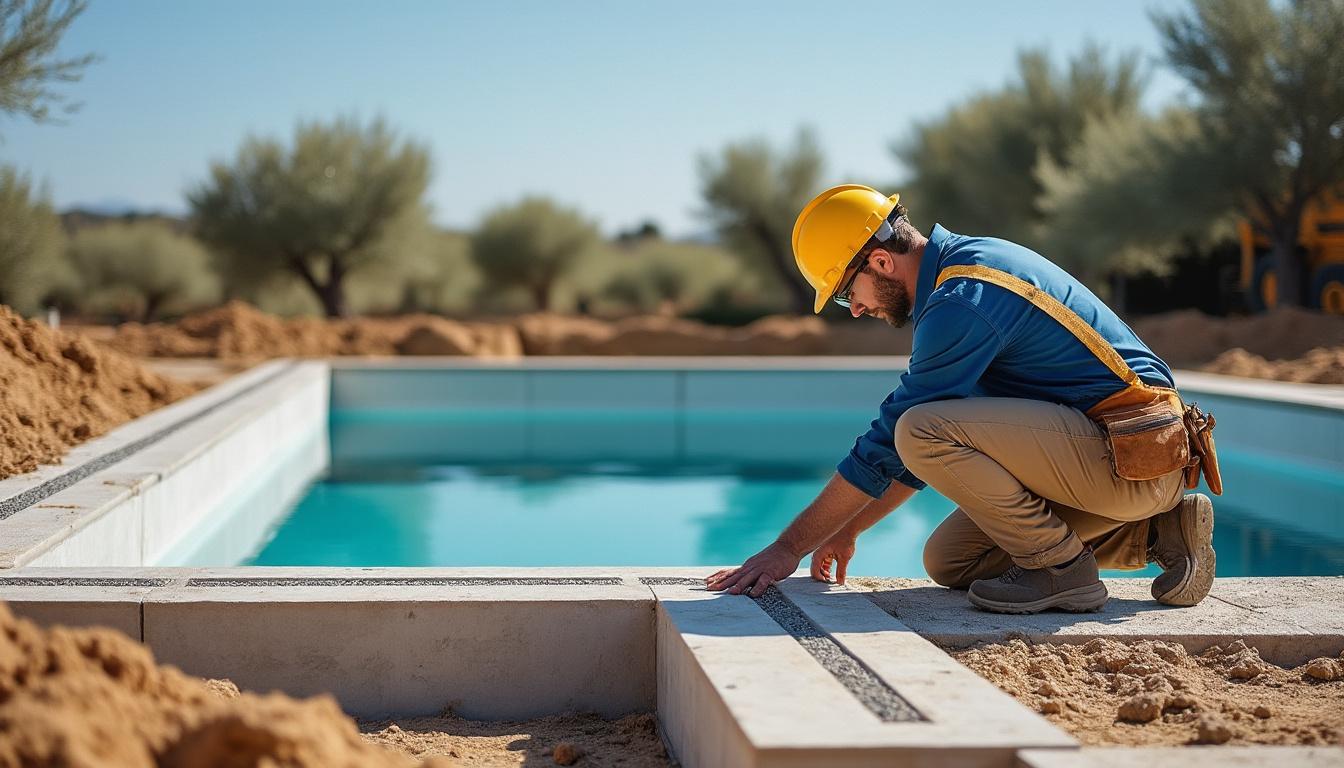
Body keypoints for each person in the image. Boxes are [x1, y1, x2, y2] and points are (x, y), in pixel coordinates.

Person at [705, 184, 1219, 614]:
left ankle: (1063, 571)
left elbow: (897, 439)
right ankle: (1158, 532)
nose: (855, 310)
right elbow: (915, 461)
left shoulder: (963, 299)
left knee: (917, 427)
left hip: (1135, 457)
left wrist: (788, 548)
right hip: (1120, 463)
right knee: (952, 561)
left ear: (881, 261)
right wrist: (847, 530)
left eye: (845, 293)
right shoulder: (960, 274)